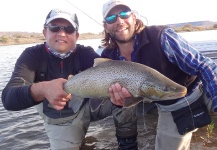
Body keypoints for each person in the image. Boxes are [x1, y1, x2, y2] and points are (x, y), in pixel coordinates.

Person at [1, 8, 137, 150]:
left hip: (90, 105)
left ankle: (128, 146)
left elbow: (114, 70)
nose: (61, 33)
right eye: (54, 28)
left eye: (69, 29)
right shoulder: (32, 56)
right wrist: (43, 89)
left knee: (127, 95)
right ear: (44, 32)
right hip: (62, 120)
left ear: (76, 35)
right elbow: (8, 99)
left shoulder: (85, 53)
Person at [101, 0, 217, 150]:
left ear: (134, 18)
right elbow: (126, 100)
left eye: (124, 14)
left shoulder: (161, 37)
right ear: (106, 26)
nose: (119, 21)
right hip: (170, 107)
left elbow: (203, 65)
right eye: (111, 18)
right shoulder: (108, 57)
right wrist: (119, 101)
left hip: (201, 91)